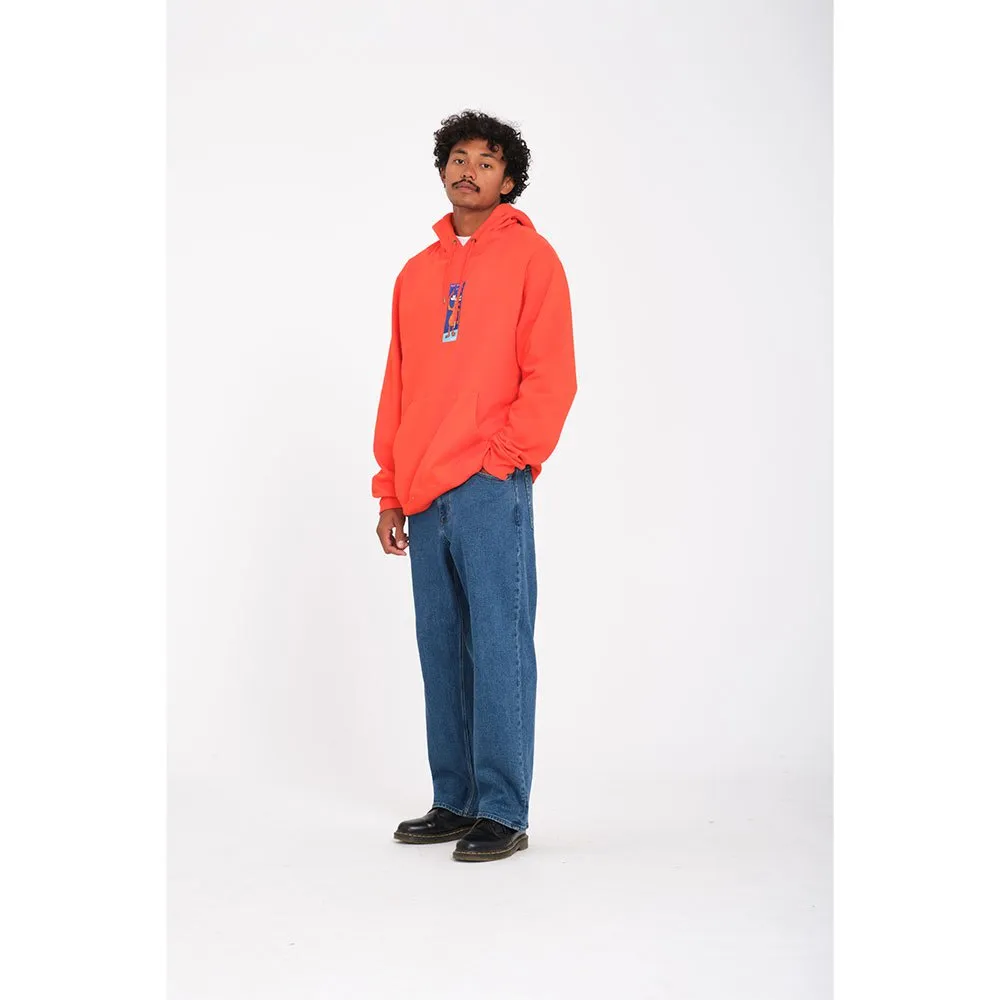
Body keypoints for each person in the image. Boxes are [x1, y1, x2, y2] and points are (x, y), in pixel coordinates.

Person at [371, 110, 577, 862]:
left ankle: (503, 809)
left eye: (487, 162)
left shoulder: (532, 259)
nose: (469, 170)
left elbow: (552, 374)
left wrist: (505, 458)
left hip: (491, 483)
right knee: (441, 648)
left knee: (498, 642)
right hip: (424, 491)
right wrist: (391, 489)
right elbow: (398, 385)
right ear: (442, 170)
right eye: (458, 158)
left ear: (508, 181)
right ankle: (454, 799)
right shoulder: (414, 274)